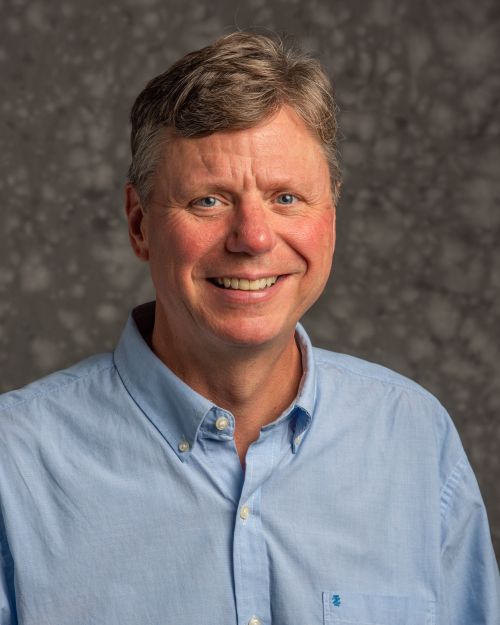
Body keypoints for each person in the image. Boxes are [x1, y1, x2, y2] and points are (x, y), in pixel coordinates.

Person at [0, 31, 499, 625]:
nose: (254, 238)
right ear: (139, 225)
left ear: (330, 220)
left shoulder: (415, 442)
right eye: (209, 201)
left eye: (287, 197)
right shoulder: (17, 467)